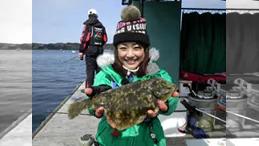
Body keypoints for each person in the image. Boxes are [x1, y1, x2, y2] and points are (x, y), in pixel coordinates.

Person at [85, 5, 179, 146]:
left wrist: (167, 103)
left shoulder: (158, 75)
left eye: (137, 48)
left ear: (145, 50)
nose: (130, 55)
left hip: (148, 139)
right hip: (111, 139)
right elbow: (94, 104)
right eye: (123, 48)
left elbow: (170, 98)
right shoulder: (106, 75)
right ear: (116, 51)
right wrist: (94, 107)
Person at [79, 8, 107, 95]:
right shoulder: (102, 26)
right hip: (99, 51)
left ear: (89, 16)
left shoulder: (88, 25)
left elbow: (85, 39)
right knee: (99, 71)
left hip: (90, 51)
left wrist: (81, 51)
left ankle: (89, 90)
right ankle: (99, 90)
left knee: (90, 72)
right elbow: (105, 39)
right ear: (96, 15)